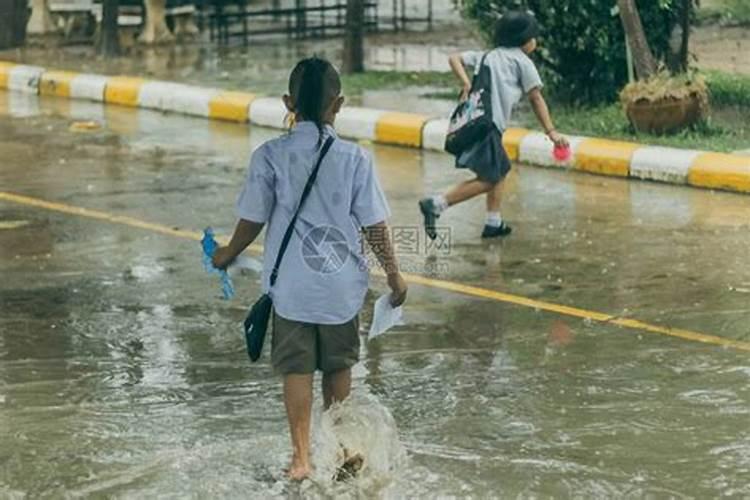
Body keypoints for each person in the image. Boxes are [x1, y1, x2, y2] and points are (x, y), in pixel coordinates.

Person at [212, 57, 408, 481]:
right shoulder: (355, 159)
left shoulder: (270, 156)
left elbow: (253, 219)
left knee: (296, 368)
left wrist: (228, 252)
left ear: (288, 102)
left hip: (292, 289)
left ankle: (301, 458)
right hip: (341, 288)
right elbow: (375, 225)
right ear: (338, 105)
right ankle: (340, 450)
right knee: (338, 367)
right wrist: (393, 275)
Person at [419, 10, 569, 239]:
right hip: (489, 126)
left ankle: (493, 222)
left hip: (478, 123)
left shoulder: (487, 55)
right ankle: (437, 203)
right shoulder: (523, 62)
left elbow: (454, 58)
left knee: (500, 170)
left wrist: (466, 83)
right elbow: (536, 98)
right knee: (490, 179)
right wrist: (551, 131)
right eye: (532, 37)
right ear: (524, 40)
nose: (535, 41)